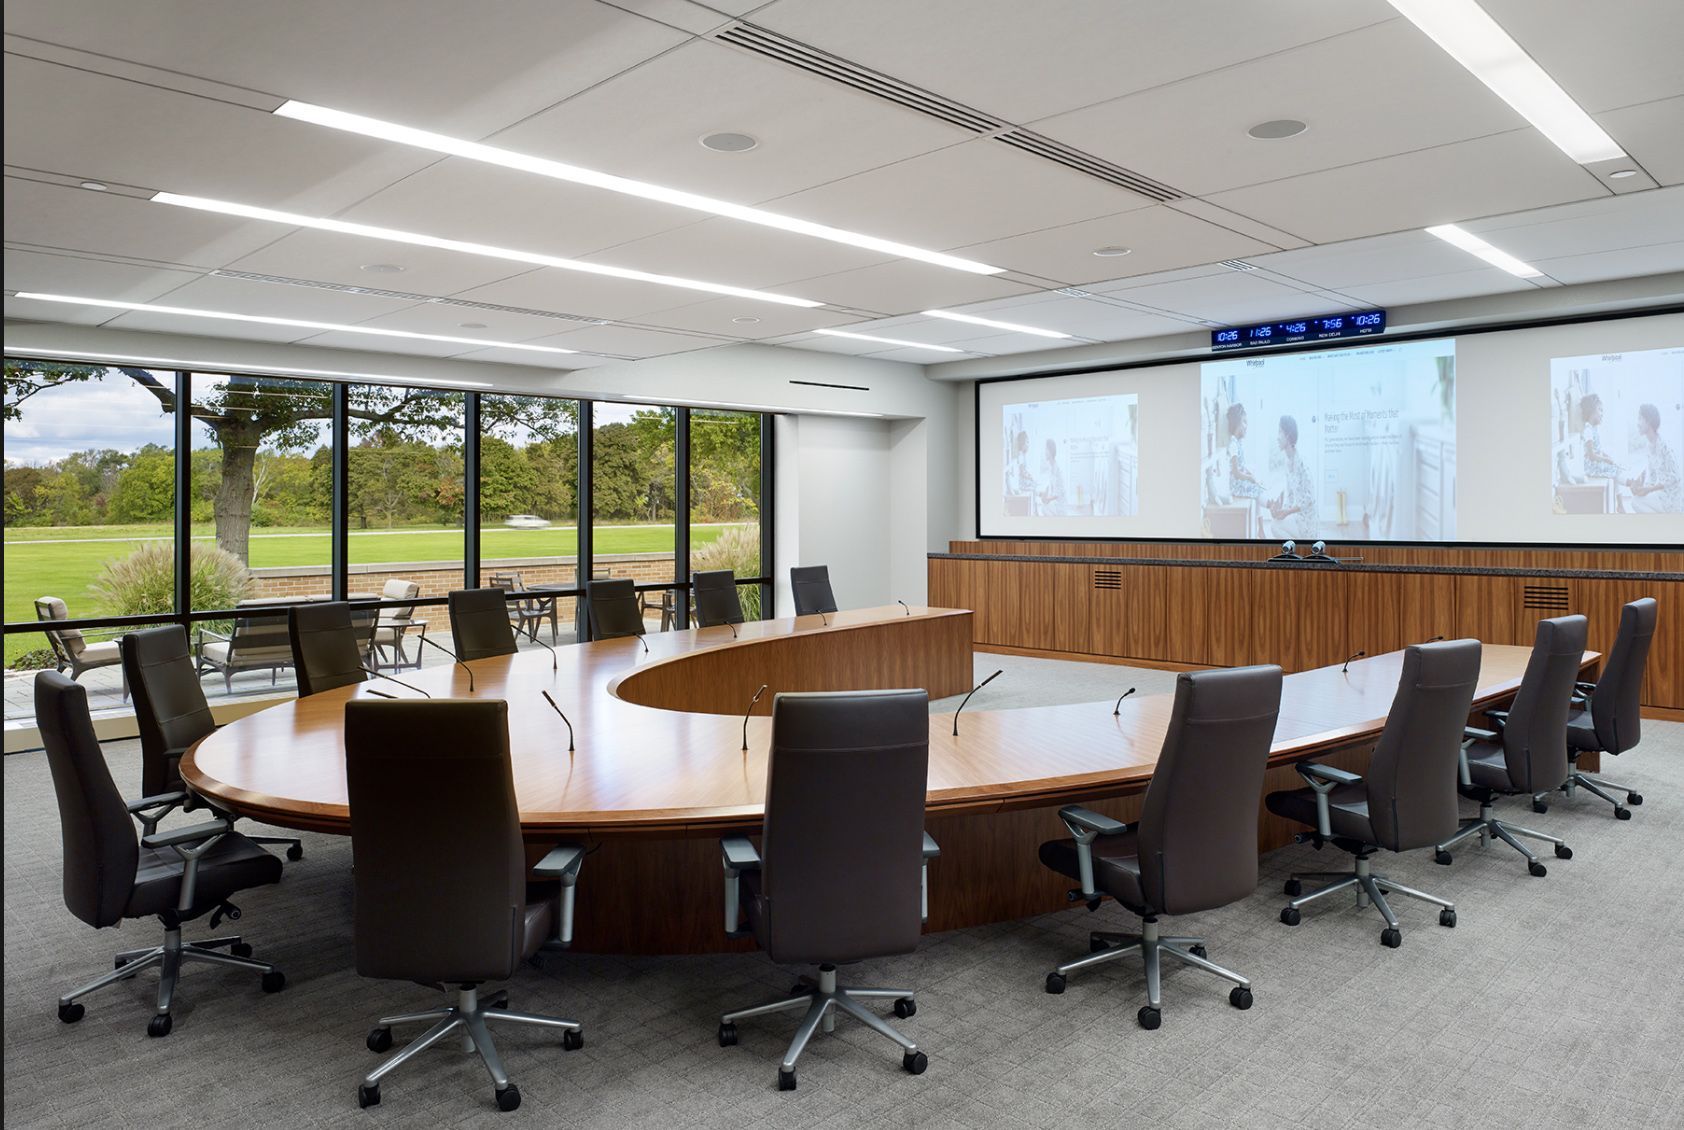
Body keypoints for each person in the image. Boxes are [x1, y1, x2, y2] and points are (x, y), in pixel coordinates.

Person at [1626, 403, 1681, 513]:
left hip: (1672, 499)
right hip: (1662, 496)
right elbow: (1653, 477)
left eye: (1640, 418)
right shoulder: (1650, 446)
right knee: (1637, 499)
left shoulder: (1664, 445)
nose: (1637, 423)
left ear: (1649, 421)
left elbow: (1675, 477)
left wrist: (1649, 489)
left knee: (1636, 502)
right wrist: (1641, 488)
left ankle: (1663, 521)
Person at [1267, 415, 1316, 539]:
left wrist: (1288, 512)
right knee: (1275, 523)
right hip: (1298, 518)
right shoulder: (1288, 461)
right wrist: (1281, 512)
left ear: (1288, 435)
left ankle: (1301, 548)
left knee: (1274, 526)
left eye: (1280, 432)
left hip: (1307, 522)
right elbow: (1290, 496)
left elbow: (1310, 498)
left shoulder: (1301, 462)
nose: (1277, 437)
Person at [1226, 403, 1264, 498]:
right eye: (1244, 422)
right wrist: (1249, 478)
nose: (1246, 426)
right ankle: (1270, 504)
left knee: (1259, 484)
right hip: (1236, 487)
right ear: (1236, 423)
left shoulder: (1238, 443)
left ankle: (1270, 503)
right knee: (1257, 489)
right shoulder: (1233, 444)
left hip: (1240, 484)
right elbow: (1236, 473)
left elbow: (1241, 467)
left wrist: (1250, 474)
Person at [1580, 393, 1621, 479]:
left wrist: (1607, 457)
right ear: (1591, 411)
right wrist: (1605, 459)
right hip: (1591, 467)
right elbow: (1591, 456)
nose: (1602, 414)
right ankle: (1628, 484)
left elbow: (1598, 450)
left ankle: (1628, 483)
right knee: (1615, 469)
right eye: (1600, 410)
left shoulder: (1594, 429)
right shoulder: (1588, 430)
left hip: (1596, 464)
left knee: (1616, 465)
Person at [1035, 437, 1065, 516]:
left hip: (1059, 505)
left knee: (1043, 508)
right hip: (1055, 502)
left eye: (1046, 449)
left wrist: (1047, 499)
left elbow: (1059, 492)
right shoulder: (1051, 466)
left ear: (1050, 451)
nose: (1044, 452)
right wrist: (1042, 493)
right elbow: (1049, 486)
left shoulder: (1057, 468)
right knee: (1041, 506)